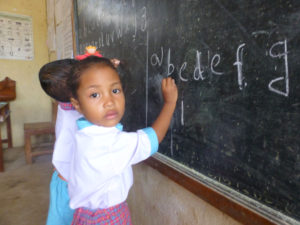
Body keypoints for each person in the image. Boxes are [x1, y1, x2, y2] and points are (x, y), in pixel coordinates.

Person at [67, 56, 178, 224]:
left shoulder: (85, 131)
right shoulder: (108, 144)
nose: (109, 102)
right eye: (95, 94)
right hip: (107, 218)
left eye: (115, 90)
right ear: (77, 104)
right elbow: (152, 139)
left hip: (84, 215)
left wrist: (104, 70)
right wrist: (170, 103)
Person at [39, 47, 120, 225]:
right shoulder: (80, 108)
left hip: (62, 179)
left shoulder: (63, 103)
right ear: (74, 94)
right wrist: (107, 72)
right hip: (71, 184)